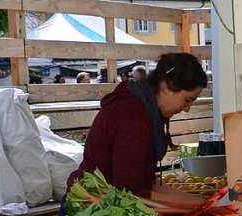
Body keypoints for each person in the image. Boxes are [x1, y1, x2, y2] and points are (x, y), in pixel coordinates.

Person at [70, 52, 207, 199]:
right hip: (88, 207)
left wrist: (200, 203)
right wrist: (199, 206)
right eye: (188, 100)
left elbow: (144, 183)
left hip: (108, 202)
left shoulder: (145, 108)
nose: (187, 108)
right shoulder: (133, 117)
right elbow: (130, 191)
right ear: (167, 87)